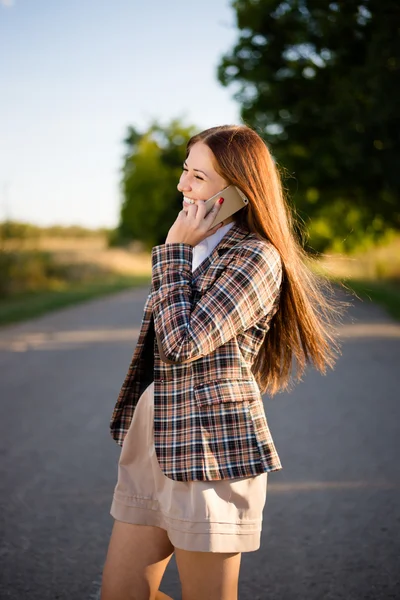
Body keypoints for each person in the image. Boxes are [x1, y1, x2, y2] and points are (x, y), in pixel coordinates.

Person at [100, 125, 342, 600]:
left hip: (209, 446)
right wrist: (181, 254)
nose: (182, 186)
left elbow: (183, 342)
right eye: (184, 172)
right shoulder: (196, 252)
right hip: (155, 432)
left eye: (197, 177)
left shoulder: (256, 259)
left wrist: (172, 253)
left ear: (236, 193)